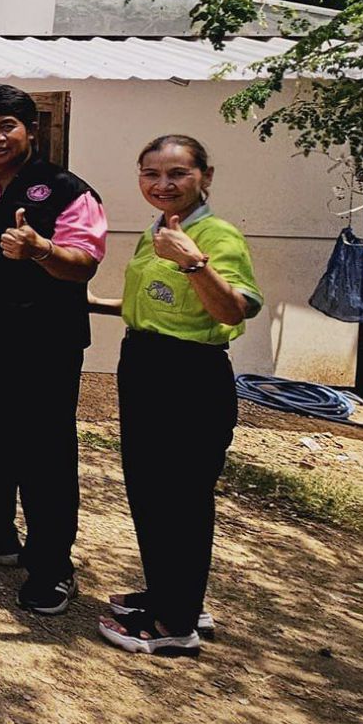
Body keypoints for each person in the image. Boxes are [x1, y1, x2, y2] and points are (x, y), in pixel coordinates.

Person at [0, 83, 107, 617]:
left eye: (6, 126)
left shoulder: (68, 191)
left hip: (43, 345)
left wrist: (41, 249)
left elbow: (84, 264)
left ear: (32, 130)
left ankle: (52, 567)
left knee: (44, 455)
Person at [92, 136, 260, 656]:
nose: (162, 184)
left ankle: (176, 626)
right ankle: (168, 594)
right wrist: (93, 302)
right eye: (151, 174)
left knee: (182, 499)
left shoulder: (215, 235)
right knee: (150, 491)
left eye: (178, 173)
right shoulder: (160, 231)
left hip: (189, 375)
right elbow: (153, 303)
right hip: (146, 363)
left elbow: (233, 310)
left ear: (205, 176)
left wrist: (194, 263)